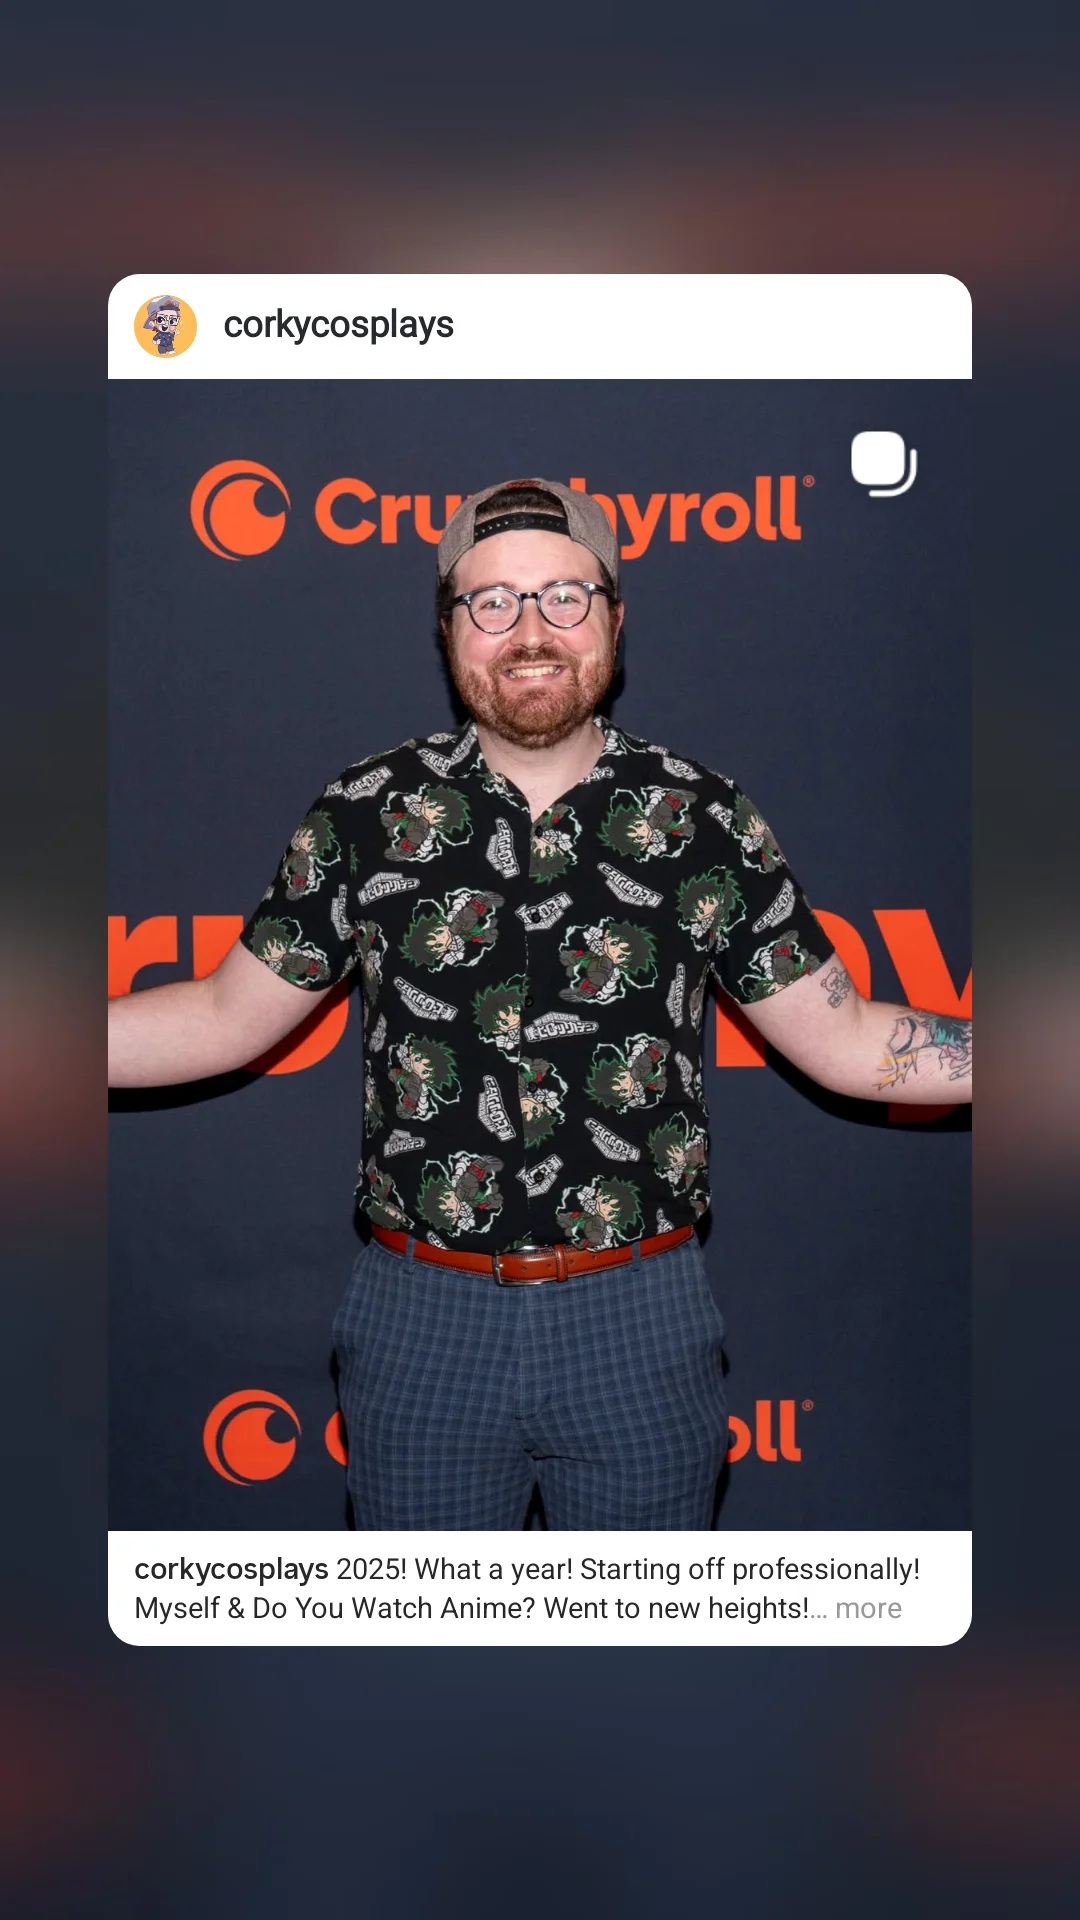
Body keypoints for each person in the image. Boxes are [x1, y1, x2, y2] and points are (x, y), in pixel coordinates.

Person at [109, 476, 971, 1531]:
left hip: (638, 1318)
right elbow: (219, 1019)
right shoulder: (368, 813)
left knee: (641, 1638)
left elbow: (848, 1040)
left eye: (564, 596)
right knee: (423, 1640)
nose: (529, 630)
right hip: (420, 1320)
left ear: (614, 617)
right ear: (448, 630)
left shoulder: (701, 818)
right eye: (491, 601)